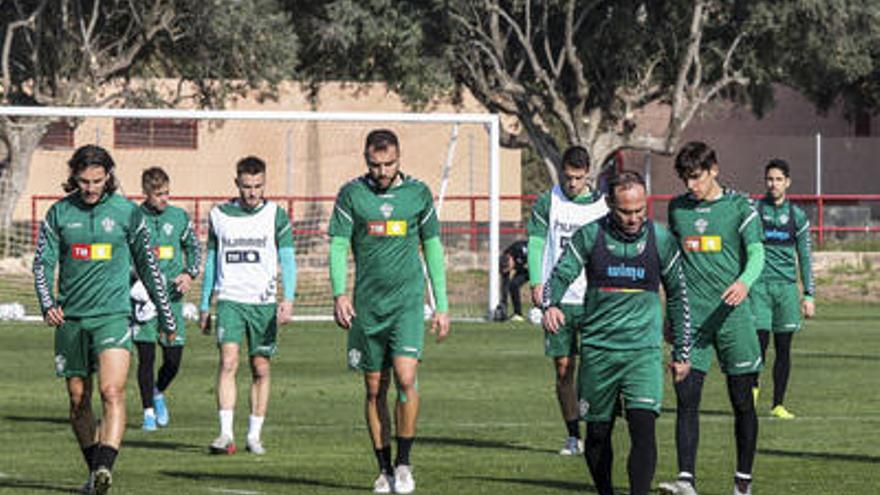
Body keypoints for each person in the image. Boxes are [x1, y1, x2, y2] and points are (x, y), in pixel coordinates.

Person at [33, 145, 178, 495]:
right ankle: (95, 472)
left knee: (111, 391)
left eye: (97, 180)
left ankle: (104, 468)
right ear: (74, 178)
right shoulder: (59, 214)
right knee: (78, 400)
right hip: (71, 320)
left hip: (113, 316)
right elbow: (42, 263)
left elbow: (149, 267)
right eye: (83, 181)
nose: (90, 188)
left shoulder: (128, 214)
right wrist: (47, 302)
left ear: (108, 176)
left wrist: (166, 317)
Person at [544, 170, 692, 495]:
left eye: (640, 210)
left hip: (643, 353)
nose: (634, 218)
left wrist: (682, 352)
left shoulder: (661, 240)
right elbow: (559, 274)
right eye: (626, 211)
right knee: (597, 435)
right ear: (609, 203)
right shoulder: (590, 236)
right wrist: (550, 304)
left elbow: (680, 295)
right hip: (599, 353)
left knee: (643, 429)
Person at [328, 129, 450, 494]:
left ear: (399, 158)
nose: (382, 171)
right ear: (366, 160)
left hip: (408, 305)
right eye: (375, 164)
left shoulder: (418, 194)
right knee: (373, 389)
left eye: (389, 164)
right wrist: (339, 294)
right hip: (368, 306)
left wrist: (441, 305)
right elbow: (338, 246)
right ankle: (383, 469)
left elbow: (433, 249)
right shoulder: (352, 194)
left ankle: (404, 463)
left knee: (406, 378)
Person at [659, 142, 765, 495]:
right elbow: (670, 267)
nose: (691, 185)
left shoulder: (740, 206)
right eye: (685, 178)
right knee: (687, 398)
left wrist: (743, 282)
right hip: (692, 321)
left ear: (714, 169)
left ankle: (742, 483)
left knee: (741, 402)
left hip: (734, 320)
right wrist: (670, 314)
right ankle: (686, 480)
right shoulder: (677, 210)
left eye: (697, 177)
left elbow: (757, 254)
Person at [198, 156, 297, 456]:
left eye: (258, 186)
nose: (252, 193)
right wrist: (205, 303)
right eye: (246, 186)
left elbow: (288, 259)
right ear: (236, 184)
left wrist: (288, 298)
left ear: (264, 183)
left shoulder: (276, 215)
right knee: (228, 362)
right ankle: (225, 434)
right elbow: (212, 260)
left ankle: (254, 435)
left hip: (263, 302)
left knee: (260, 366)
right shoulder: (219, 215)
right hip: (230, 299)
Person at [526, 145, 609, 455]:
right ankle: (574, 436)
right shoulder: (549, 201)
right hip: (558, 301)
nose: (572, 184)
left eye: (578, 178)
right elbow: (536, 243)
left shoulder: (603, 207)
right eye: (568, 177)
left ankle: (597, 432)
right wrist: (537, 282)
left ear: (588, 174)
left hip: (592, 300)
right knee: (563, 368)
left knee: (595, 370)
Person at [130, 167, 201, 431]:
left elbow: (194, 247)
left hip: (171, 300)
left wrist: (189, 273)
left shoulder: (179, 217)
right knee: (145, 357)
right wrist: (135, 283)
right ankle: (147, 411)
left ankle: (158, 392)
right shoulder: (134, 218)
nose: (164, 199)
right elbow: (126, 255)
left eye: (167, 193)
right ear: (146, 193)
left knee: (173, 361)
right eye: (158, 194)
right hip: (144, 302)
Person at [752, 159, 815, 419]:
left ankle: (778, 404)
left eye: (778, 179)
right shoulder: (754, 211)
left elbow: (805, 256)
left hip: (787, 290)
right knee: (759, 345)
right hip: (759, 288)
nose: (773, 184)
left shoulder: (797, 216)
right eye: (769, 179)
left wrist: (808, 294)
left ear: (787, 182)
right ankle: (751, 392)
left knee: (783, 348)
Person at [496, 239, 528, 321]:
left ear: (510, 259)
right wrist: (503, 304)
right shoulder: (504, 262)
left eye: (509, 267)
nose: (510, 270)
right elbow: (504, 286)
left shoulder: (520, 248)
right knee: (513, 285)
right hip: (524, 269)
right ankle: (518, 314)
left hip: (536, 265)